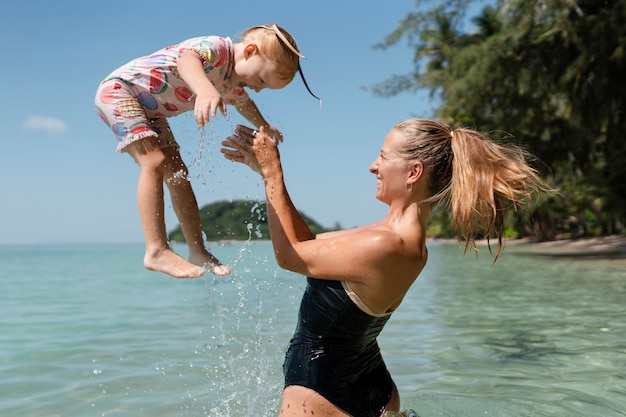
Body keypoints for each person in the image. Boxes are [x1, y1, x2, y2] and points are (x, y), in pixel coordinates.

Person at [221, 119, 552, 417]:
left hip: (320, 390)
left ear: (413, 173)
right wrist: (265, 172)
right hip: (368, 386)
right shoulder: (390, 239)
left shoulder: (386, 245)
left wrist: (273, 172)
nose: (373, 166)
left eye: (383, 156)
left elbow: (290, 256)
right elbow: (304, 241)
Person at [95, 24, 319, 279]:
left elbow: (244, 104)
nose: (257, 88)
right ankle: (156, 250)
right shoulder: (216, 49)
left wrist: (264, 126)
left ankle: (197, 250)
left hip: (150, 113)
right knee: (154, 161)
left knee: (178, 173)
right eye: (261, 80)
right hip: (119, 92)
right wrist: (204, 88)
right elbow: (186, 60)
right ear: (249, 51)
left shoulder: (230, 84)